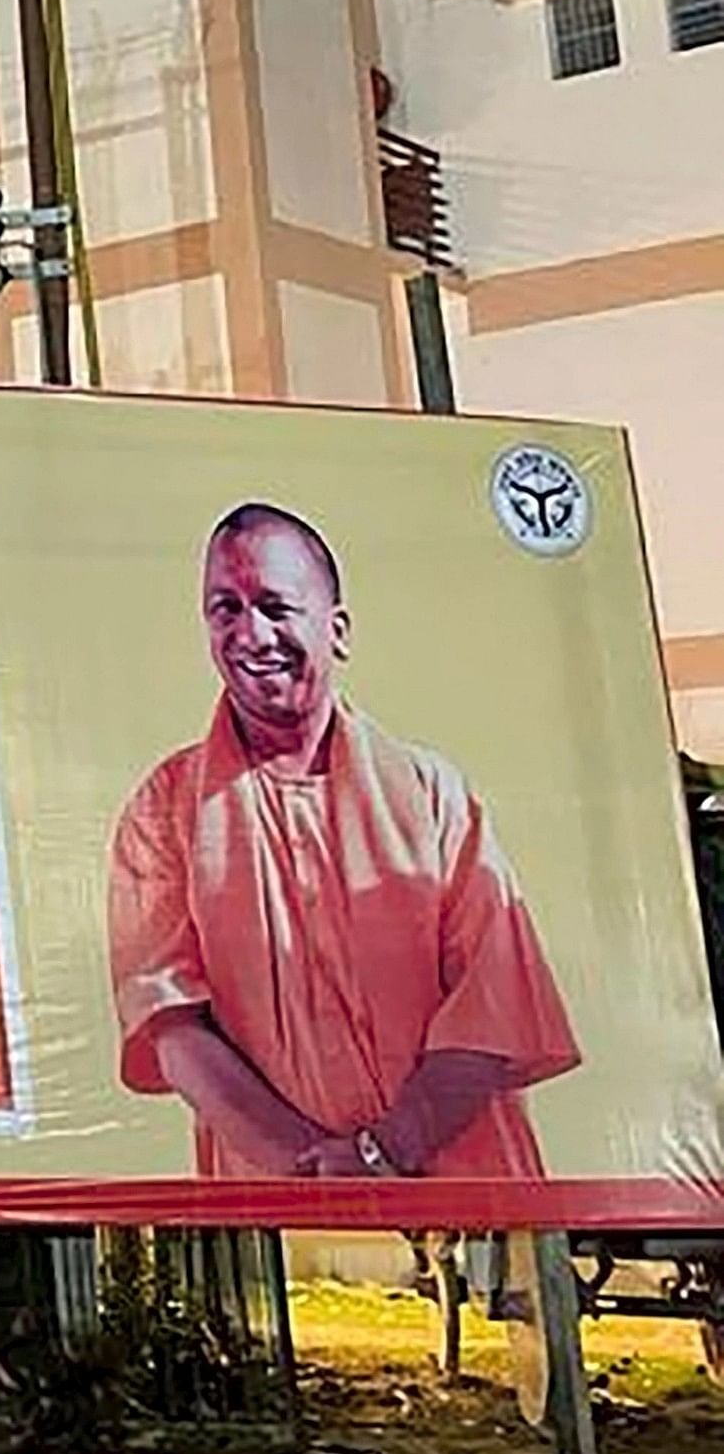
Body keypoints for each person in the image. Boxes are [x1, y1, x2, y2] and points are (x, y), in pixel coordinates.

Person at [106, 502, 581, 1178]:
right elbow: (173, 1027)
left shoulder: (429, 793)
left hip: (468, 1197)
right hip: (275, 1215)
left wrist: (386, 1150)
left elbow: (495, 1001)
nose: (252, 633)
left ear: (338, 630)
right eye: (225, 609)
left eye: (274, 605)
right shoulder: (164, 809)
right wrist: (318, 1175)